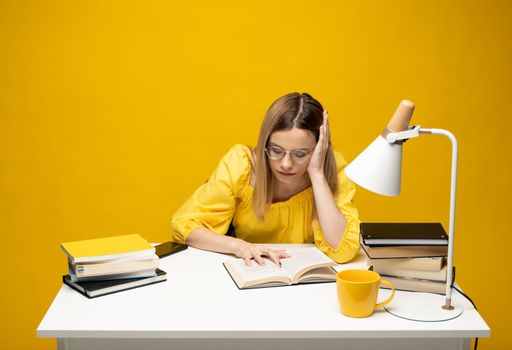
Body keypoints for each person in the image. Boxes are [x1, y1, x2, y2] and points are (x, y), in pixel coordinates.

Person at [171, 92, 360, 266]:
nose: (286, 164)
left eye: (300, 154)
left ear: (320, 149)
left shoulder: (332, 170)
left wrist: (317, 175)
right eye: (276, 150)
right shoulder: (241, 164)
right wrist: (240, 246)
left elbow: (341, 250)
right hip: (251, 268)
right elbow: (184, 226)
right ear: (264, 144)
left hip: (303, 276)